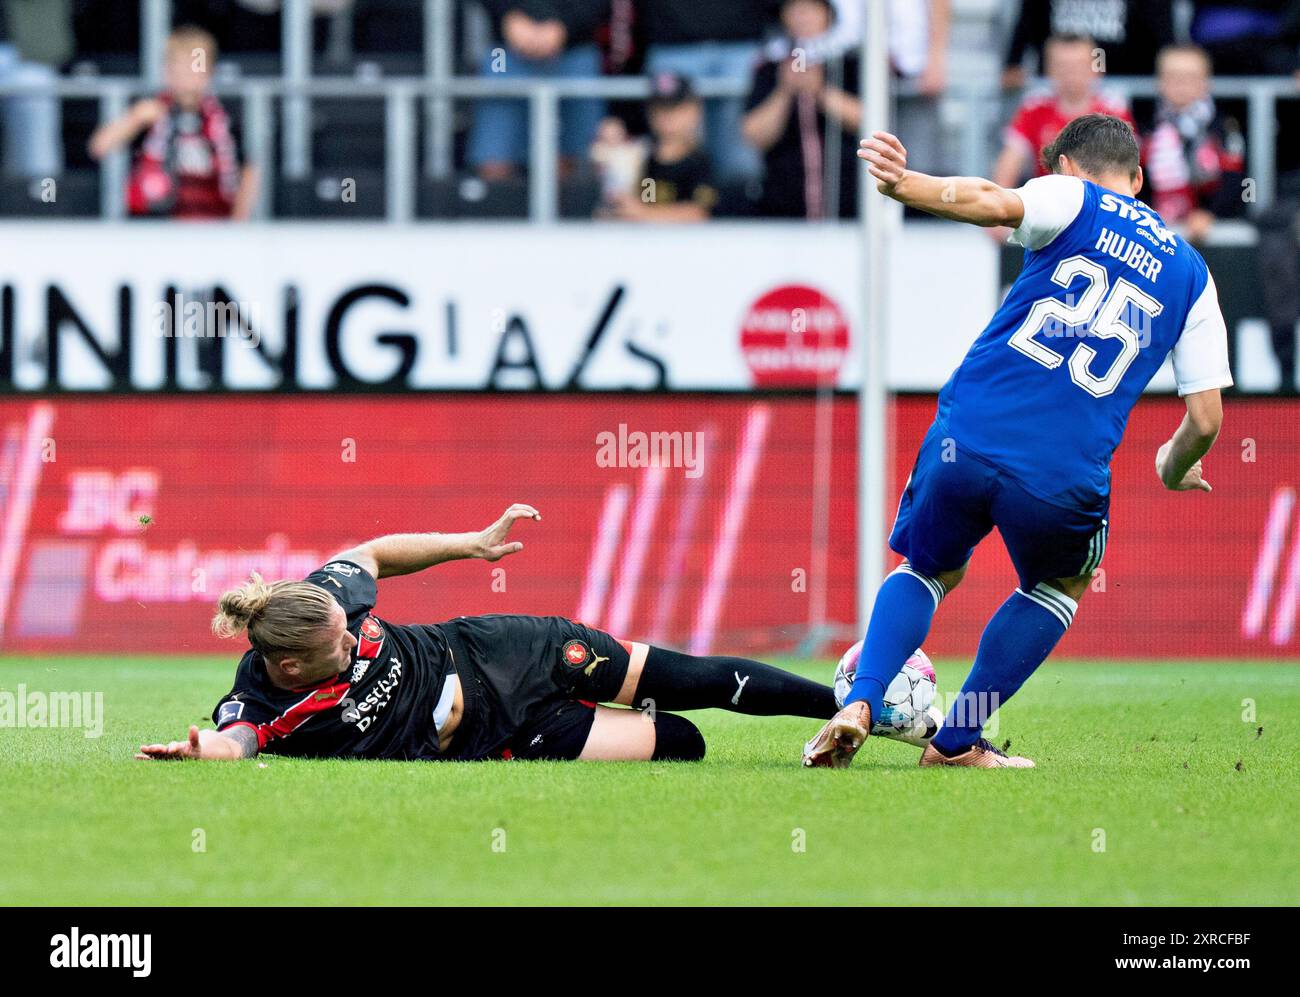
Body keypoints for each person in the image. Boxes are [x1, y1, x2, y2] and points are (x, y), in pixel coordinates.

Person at [804, 115, 1231, 768]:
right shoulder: (1193, 277)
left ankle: (861, 700)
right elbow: (1205, 417)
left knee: (926, 567)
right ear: (1138, 179)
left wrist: (902, 186)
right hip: (1062, 473)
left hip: (967, 434)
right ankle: (955, 740)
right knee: (1058, 586)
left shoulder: (1070, 198)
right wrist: (1174, 468)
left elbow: (985, 200)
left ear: (1062, 166)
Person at [137, 504, 839, 763]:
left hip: (509, 649)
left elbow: (375, 551)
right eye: (341, 648)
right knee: (684, 743)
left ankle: (849, 705)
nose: (354, 640)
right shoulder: (265, 700)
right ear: (290, 667)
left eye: (352, 629)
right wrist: (201, 749)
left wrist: (471, 544)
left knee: (696, 683)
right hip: (504, 736)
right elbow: (239, 739)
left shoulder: (324, 601)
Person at [87, 25, 258, 220]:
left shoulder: (226, 116)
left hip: (213, 226)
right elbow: (99, 146)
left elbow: (249, 170)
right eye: (178, 68)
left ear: (209, 72)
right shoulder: (151, 112)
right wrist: (134, 119)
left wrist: (238, 222)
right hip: (156, 228)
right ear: (166, 71)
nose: (186, 77)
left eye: (193, 68)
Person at [742, 0, 861, 219]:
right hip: (784, 204)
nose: (802, 17)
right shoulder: (769, 65)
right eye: (794, 10)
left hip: (850, 202)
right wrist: (784, 91)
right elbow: (754, 135)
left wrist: (821, 92)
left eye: (809, 9)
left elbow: (871, 121)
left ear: (827, 13)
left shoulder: (851, 61)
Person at [467, 0, 610, 182]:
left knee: (569, 160)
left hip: (574, 48)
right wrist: (507, 15)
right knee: (494, 157)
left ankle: (558, 209)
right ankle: (497, 207)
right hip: (502, 52)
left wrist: (565, 26)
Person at [640, 0, 779, 183]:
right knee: (668, 152)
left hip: (742, 39)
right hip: (672, 40)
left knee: (740, 160)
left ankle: (736, 207)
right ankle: (653, 206)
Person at [1141, 44, 1246, 244]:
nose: (1181, 84)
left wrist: (1209, 214)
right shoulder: (1146, 126)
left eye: (1190, 77)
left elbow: (1235, 182)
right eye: (1172, 76)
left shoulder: (1223, 126)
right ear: (1159, 82)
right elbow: (1134, 178)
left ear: (1206, 82)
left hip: (1212, 232)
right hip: (1154, 231)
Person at [598, 72, 718, 222]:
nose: (666, 118)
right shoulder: (648, 161)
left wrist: (644, 213)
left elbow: (699, 213)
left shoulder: (699, 163)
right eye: (659, 110)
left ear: (694, 110)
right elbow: (648, 201)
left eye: (674, 109)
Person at [1002, 0, 1175, 87]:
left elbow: (1161, 26)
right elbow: (1029, 17)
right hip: (1061, 86)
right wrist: (1013, 61)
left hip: (1126, 84)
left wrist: (1171, 66)